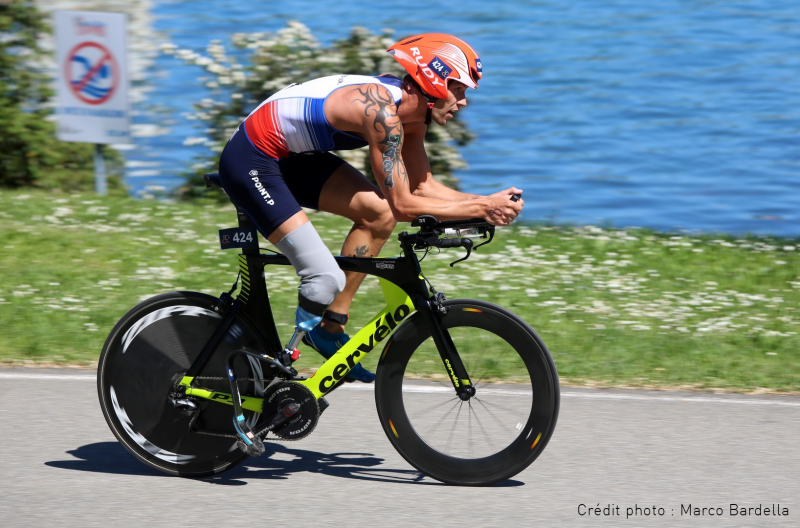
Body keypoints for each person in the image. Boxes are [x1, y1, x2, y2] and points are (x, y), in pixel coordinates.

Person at [217, 33, 524, 383]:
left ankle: (329, 329)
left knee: (378, 215)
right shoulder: (382, 114)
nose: (464, 102)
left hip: (293, 157)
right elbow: (405, 203)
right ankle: (280, 368)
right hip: (252, 159)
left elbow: (424, 186)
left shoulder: (411, 117)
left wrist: (485, 202)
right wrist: (483, 208)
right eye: (460, 90)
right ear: (436, 81)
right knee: (323, 278)